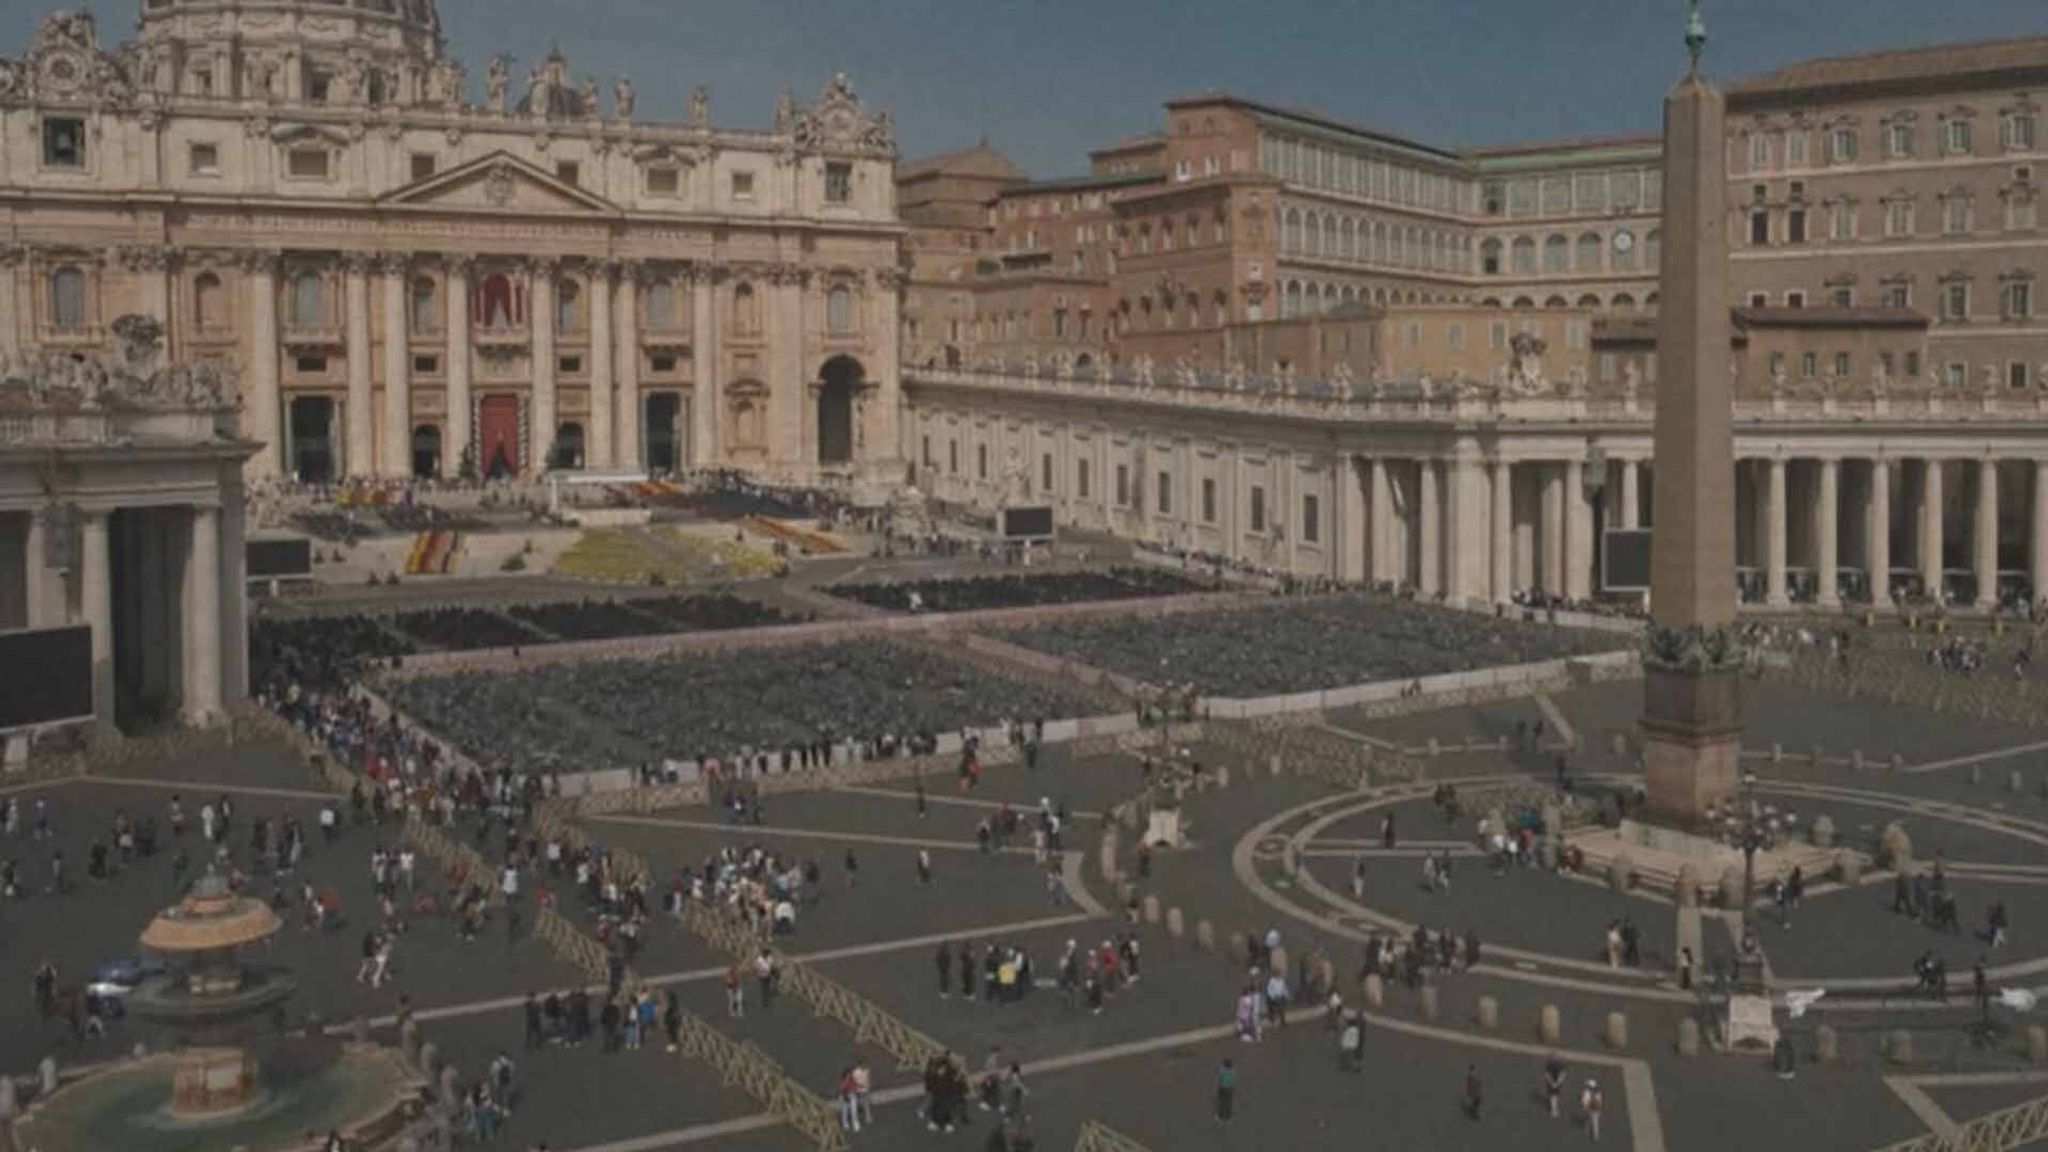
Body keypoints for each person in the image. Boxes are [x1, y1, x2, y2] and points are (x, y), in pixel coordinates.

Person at [1214, 1058, 1236, 1122]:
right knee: (1228, 1102)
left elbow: (1219, 1078)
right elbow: (1233, 1081)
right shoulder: (1232, 1071)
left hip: (1222, 1088)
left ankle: (1220, 1116)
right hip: (1229, 1088)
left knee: (1221, 1102)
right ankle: (1228, 1116)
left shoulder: (1222, 1070)